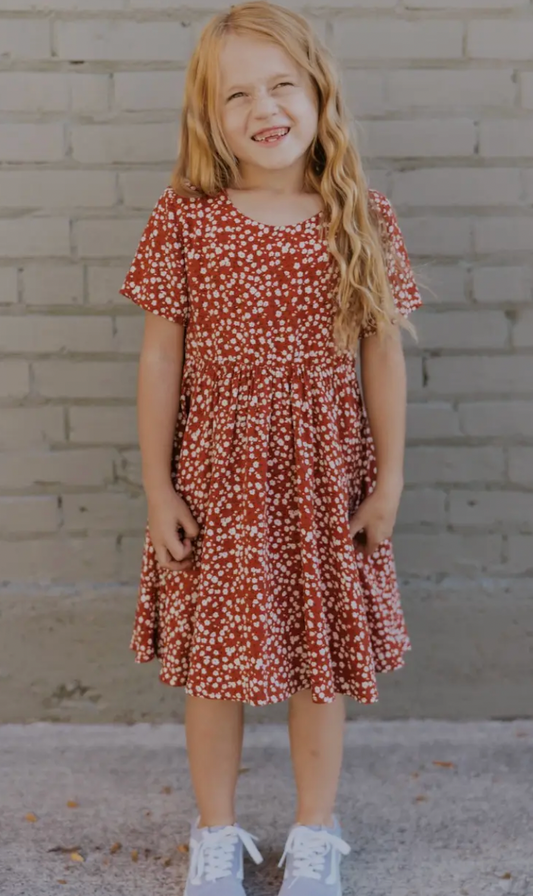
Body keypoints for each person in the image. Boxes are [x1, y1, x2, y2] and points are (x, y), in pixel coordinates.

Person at [120, 2, 422, 893]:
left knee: (315, 662)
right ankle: (215, 834)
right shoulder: (186, 218)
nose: (264, 108)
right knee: (214, 667)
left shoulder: (358, 214)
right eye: (237, 95)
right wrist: (156, 486)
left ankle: (314, 832)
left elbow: (382, 358)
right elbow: (159, 353)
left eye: (282, 84)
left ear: (319, 95)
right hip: (216, 480)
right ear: (208, 117)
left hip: (325, 479)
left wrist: (390, 482)